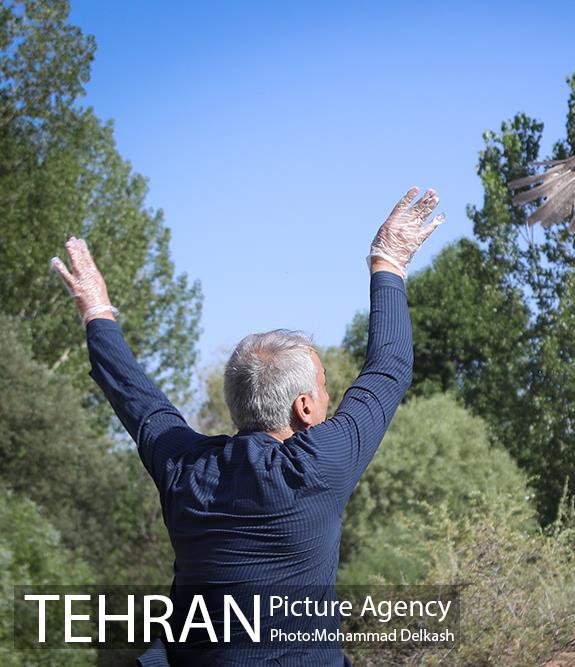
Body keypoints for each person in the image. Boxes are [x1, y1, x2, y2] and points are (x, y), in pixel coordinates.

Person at [50, 187, 444, 666]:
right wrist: (389, 260)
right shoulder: (320, 465)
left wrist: (96, 312)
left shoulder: (185, 470)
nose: (329, 397)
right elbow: (388, 368)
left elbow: (138, 400)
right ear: (304, 408)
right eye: (324, 386)